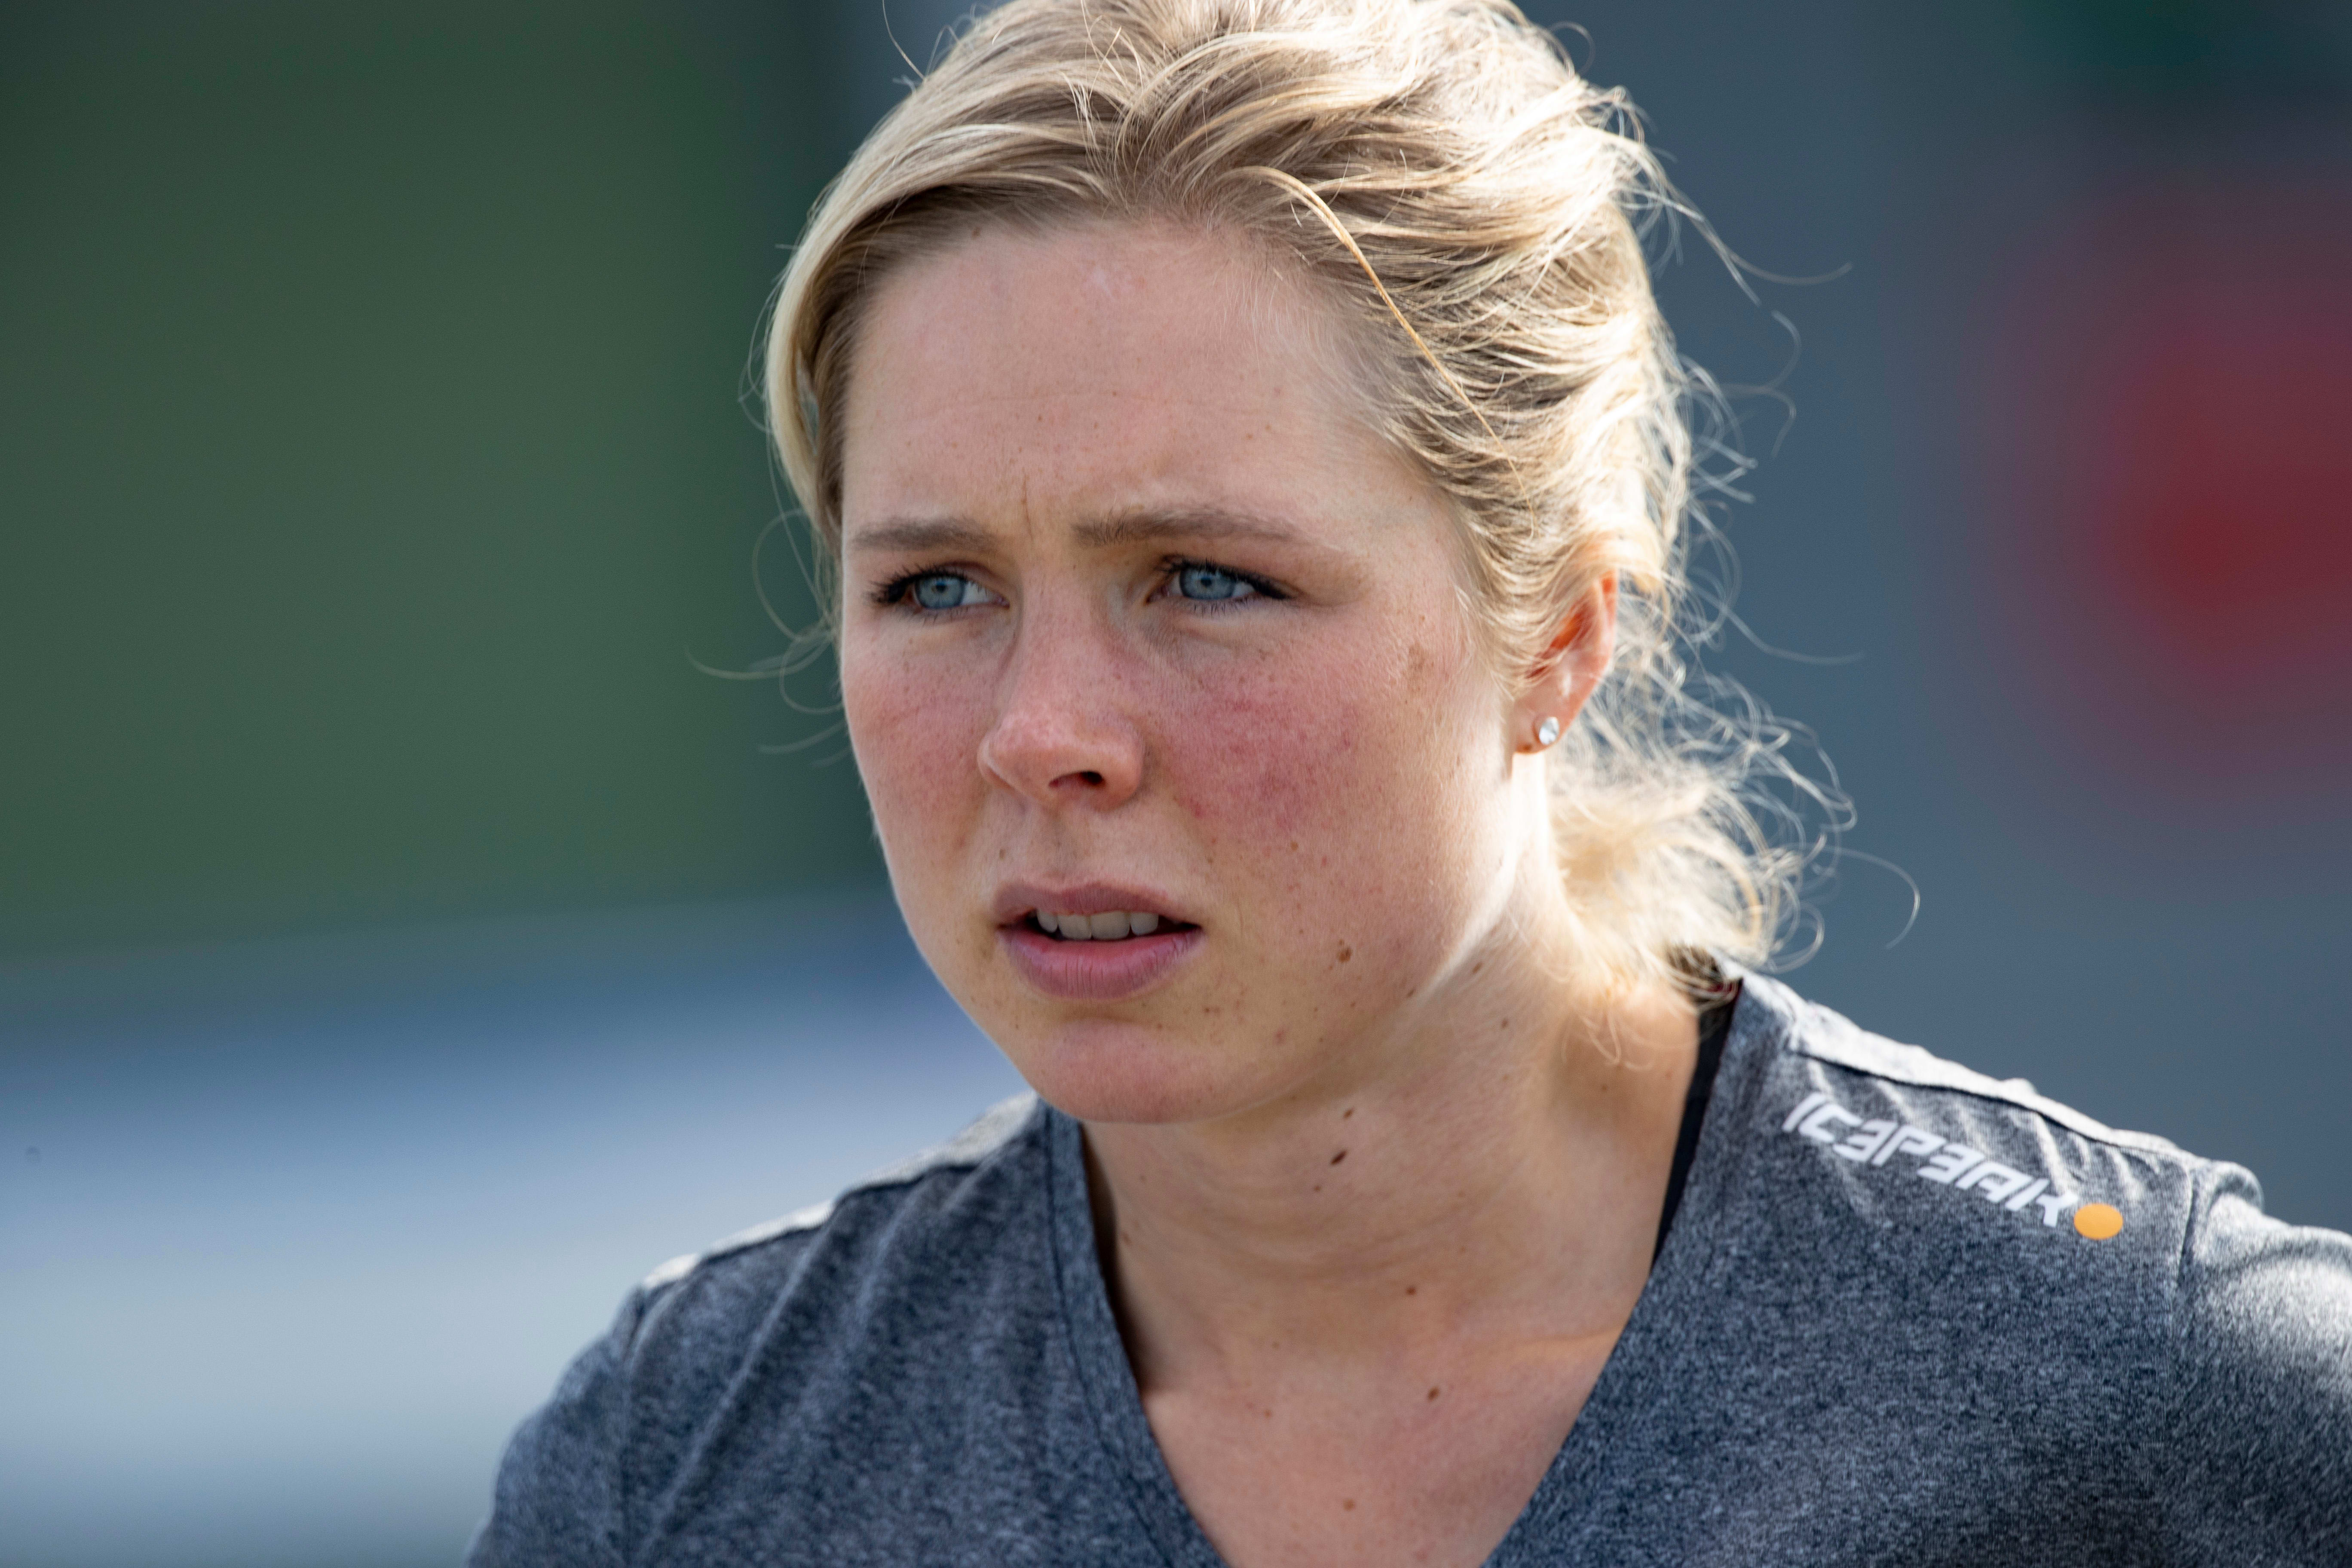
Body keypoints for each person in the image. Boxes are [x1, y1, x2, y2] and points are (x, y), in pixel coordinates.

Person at [469, 2, 2352, 1563]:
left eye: (1208, 581)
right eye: (936, 587)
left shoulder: (2143, 1391)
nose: (1043, 732)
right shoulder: (690, 1468)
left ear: (1560, 634)